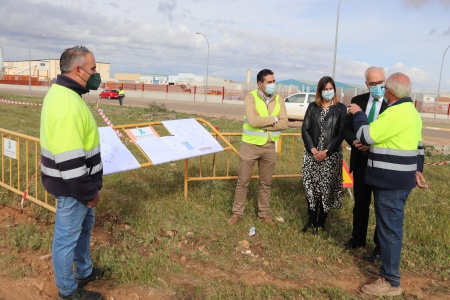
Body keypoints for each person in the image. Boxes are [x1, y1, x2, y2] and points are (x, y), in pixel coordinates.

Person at [348, 72, 427, 297]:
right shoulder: (411, 112)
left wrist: (359, 114)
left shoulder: (395, 113)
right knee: (389, 228)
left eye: (383, 87)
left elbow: (366, 135)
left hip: (390, 181)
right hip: (399, 179)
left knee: (390, 230)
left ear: (390, 92)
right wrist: (418, 168)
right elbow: (417, 145)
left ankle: (390, 280)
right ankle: (386, 269)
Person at [40, 46, 104, 300]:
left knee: (83, 230)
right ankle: (68, 291)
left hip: (77, 186)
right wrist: (89, 193)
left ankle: (85, 271)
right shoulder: (67, 103)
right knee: (66, 240)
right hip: (73, 189)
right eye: (93, 68)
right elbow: (70, 160)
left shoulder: (64, 93)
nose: (96, 73)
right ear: (78, 70)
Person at [227, 69, 289, 226]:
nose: (272, 84)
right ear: (260, 84)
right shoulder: (251, 97)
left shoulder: (278, 99)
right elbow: (253, 121)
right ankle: (237, 214)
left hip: (269, 146)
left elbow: (285, 123)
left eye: (273, 81)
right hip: (250, 145)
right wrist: (274, 118)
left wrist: (267, 126)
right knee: (243, 181)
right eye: (269, 82)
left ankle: (263, 214)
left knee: (266, 183)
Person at [342, 67, 387, 258]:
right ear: (366, 84)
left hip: (381, 162)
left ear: (385, 81)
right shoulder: (357, 102)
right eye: (372, 83)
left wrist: (373, 145)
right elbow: (346, 128)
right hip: (360, 162)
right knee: (360, 203)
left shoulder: (392, 104)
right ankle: (357, 238)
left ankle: (379, 246)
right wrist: (354, 141)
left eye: (380, 83)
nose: (377, 87)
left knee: (381, 206)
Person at [301, 76, 347, 232]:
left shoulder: (340, 108)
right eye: (325, 89)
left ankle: (321, 223)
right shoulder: (313, 107)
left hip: (330, 155)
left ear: (334, 89)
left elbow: (341, 133)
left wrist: (326, 152)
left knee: (326, 189)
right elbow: (305, 129)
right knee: (311, 188)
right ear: (320, 90)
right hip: (312, 155)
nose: (328, 92)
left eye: (330, 89)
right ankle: (311, 221)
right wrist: (313, 150)